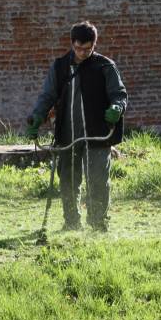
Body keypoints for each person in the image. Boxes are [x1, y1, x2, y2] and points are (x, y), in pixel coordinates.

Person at [25, 21, 128, 231]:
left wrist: (117, 108)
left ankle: (98, 224)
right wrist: (37, 116)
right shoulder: (60, 66)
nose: (82, 52)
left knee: (98, 180)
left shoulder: (105, 66)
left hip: (98, 133)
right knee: (69, 181)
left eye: (87, 48)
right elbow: (47, 95)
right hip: (68, 133)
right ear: (72, 44)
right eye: (78, 48)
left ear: (94, 45)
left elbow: (119, 94)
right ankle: (72, 223)